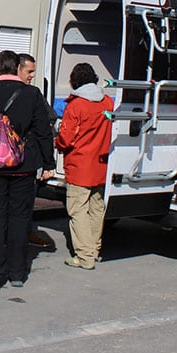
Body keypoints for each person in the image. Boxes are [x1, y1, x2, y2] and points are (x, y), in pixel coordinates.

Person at [0, 49, 56, 290]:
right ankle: (17, 273)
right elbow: (43, 132)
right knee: (19, 219)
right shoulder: (32, 94)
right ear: (17, 67)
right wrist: (49, 163)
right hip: (23, 166)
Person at [55, 62, 114, 270]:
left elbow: (65, 139)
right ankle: (95, 249)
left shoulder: (75, 105)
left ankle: (85, 255)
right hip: (102, 164)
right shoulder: (107, 102)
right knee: (97, 208)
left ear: (74, 81)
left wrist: (57, 138)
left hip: (80, 165)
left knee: (77, 210)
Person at [17, 53, 58, 252]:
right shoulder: (4, 91)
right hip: (8, 158)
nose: (32, 75)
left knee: (27, 202)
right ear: (18, 69)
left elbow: (50, 116)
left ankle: (26, 233)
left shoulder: (35, 93)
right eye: (29, 71)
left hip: (29, 157)